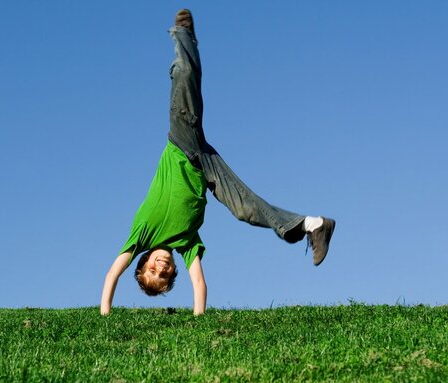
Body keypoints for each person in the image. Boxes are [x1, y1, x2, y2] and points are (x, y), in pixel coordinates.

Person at [100, 10, 335, 316]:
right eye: (165, 276)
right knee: (245, 209)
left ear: (143, 261)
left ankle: (183, 35)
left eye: (152, 271)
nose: (161, 269)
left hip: (181, 144)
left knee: (184, 77)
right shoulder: (187, 244)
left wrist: (105, 314)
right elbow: (199, 282)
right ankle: (313, 225)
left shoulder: (141, 233)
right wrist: (199, 321)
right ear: (172, 273)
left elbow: (112, 274)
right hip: (206, 167)